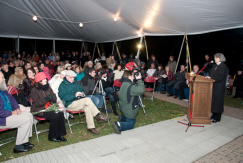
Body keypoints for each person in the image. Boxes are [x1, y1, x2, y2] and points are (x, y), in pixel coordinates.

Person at [58, 70, 111, 135]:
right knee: (87, 99)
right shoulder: (62, 85)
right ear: (67, 77)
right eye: (71, 77)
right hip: (70, 104)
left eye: (73, 78)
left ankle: (91, 127)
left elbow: (82, 90)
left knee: (88, 108)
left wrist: (82, 94)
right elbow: (63, 97)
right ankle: (98, 115)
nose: (73, 79)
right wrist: (74, 95)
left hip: (79, 102)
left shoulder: (76, 83)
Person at [0, 71, 34, 153]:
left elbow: (12, 99)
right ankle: (18, 146)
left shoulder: (2, 90)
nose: (4, 79)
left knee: (29, 115)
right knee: (25, 120)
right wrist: (12, 113)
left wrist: (17, 108)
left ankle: (24, 141)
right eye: (2, 78)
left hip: (8, 114)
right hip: (2, 119)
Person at [31, 72, 67, 142]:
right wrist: (46, 99)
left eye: (45, 79)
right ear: (39, 81)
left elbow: (54, 97)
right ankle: (52, 136)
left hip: (48, 107)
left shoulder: (48, 87)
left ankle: (60, 134)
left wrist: (51, 98)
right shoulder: (34, 90)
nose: (46, 80)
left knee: (60, 113)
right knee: (54, 115)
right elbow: (37, 103)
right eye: (44, 79)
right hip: (39, 109)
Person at [206, 53, 229, 123]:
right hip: (213, 86)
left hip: (219, 87)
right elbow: (211, 74)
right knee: (213, 101)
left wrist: (211, 78)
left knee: (218, 102)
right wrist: (209, 77)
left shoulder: (223, 66)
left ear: (220, 58)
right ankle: (213, 115)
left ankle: (217, 117)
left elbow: (221, 77)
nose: (215, 59)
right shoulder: (215, 66)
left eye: (216, 58)